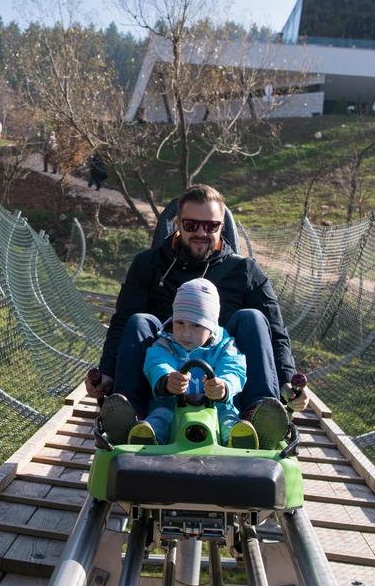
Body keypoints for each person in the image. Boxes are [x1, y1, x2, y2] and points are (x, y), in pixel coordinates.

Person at [88, 183, 305, 448]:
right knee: (139, 320)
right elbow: (122, 323)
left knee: (253, 318)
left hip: (225, 375)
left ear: (221, 226)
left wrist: (287, 380)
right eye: (192, 225)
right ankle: (129, 414)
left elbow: (276, 331)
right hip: (162, 373)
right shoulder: (148, 265)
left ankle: (258, 414)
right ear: (178, 224)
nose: (202, 232)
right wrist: (107, 372)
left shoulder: (246, 271)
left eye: (211, 226)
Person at [127, 278, 260, 450]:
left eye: (196, 326)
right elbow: (156, 361)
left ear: (211, 326)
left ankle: (235, 439)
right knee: (160, 416)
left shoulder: (225, 345)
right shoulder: (166, 343)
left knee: (227, 417)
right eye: (179, 323)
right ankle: (149, 438)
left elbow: (235, 367)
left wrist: (224, 386)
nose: (186, 333)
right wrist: (166, 379)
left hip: (216, 406)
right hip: (173, 404)